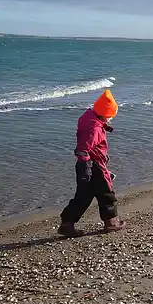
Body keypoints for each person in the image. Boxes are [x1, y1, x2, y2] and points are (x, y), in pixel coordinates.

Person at [58, 89, 126, 237]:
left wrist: (104, 126)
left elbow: (91, 131)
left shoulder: (89, 117)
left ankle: (67, 224)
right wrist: (86, 167)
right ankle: (111, 223)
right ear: (104, 113)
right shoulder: (95, 128)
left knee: (84, 196)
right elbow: (83, 148)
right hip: (92, 165)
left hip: (91, 164)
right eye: (109, 116)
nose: (110, 119)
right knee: (107, 193)